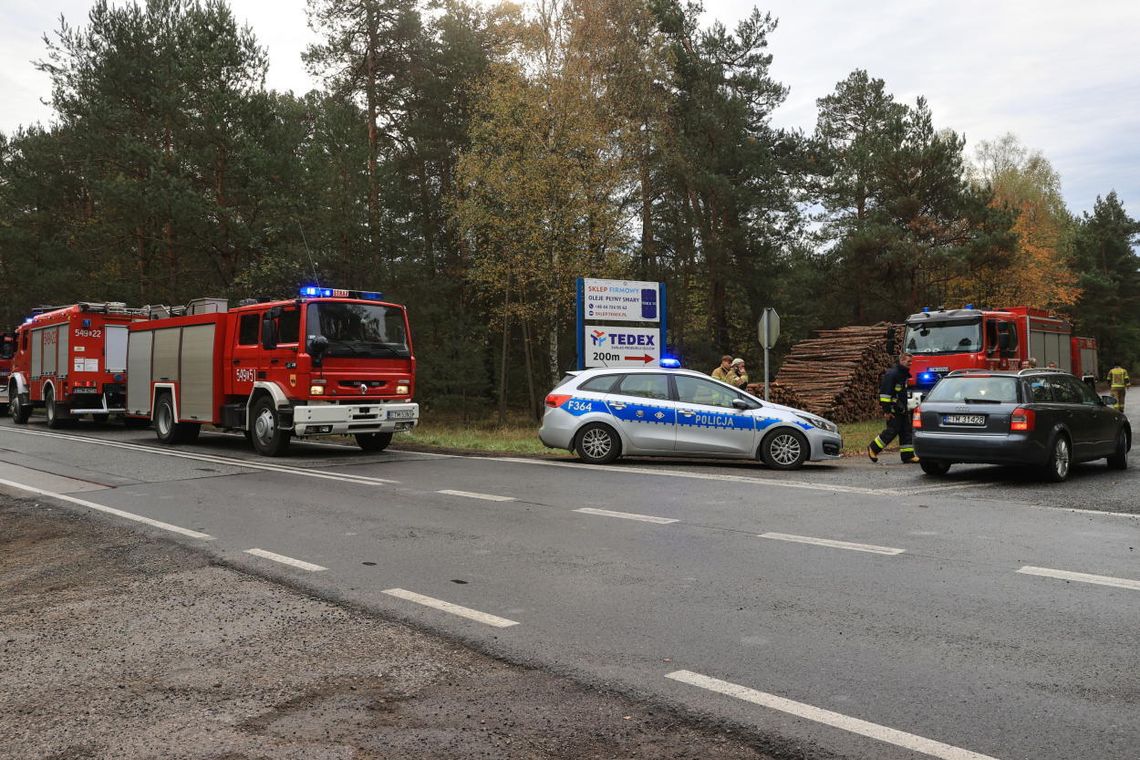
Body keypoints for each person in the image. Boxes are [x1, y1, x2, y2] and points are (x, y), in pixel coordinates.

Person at [868, 353, 919, 464]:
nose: (910, 363)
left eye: (911, 361)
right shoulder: (892, 374)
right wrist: (887, 411)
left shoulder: (903, 374)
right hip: (893, 410)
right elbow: (885, 394)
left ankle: (908, 455)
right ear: (901, 360)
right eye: (908, 361)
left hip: (902, 409)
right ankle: (873, 448)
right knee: (892, 431)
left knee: (906, 431)